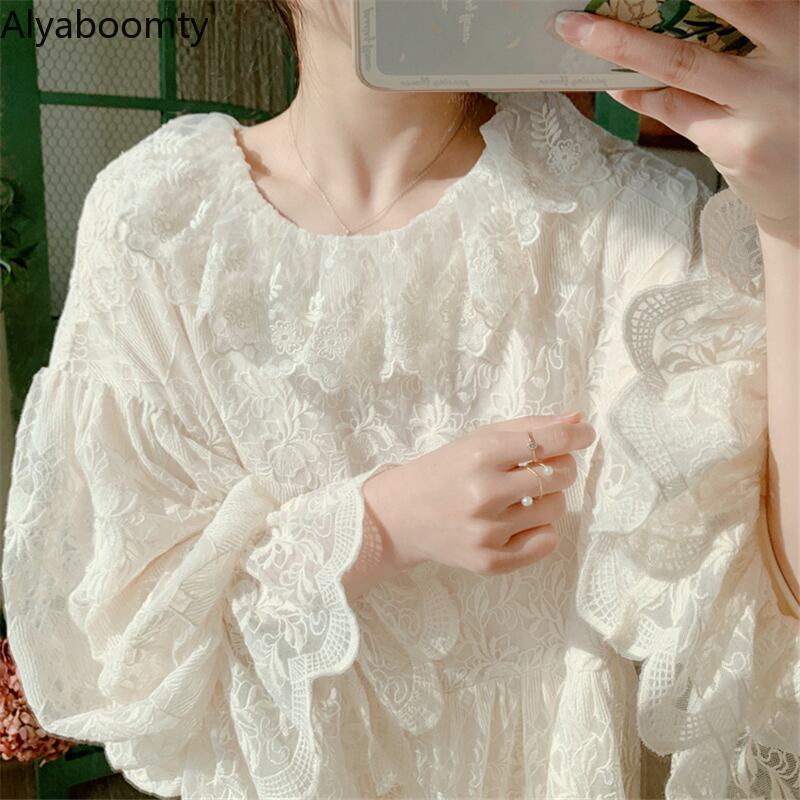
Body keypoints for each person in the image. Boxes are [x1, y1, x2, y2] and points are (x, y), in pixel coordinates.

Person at [2, 1, 798, 798]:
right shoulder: (163, 220)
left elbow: (763, 627)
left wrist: (791, 219)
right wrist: (374, 527)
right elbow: (127, 654)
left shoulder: (631, 222)